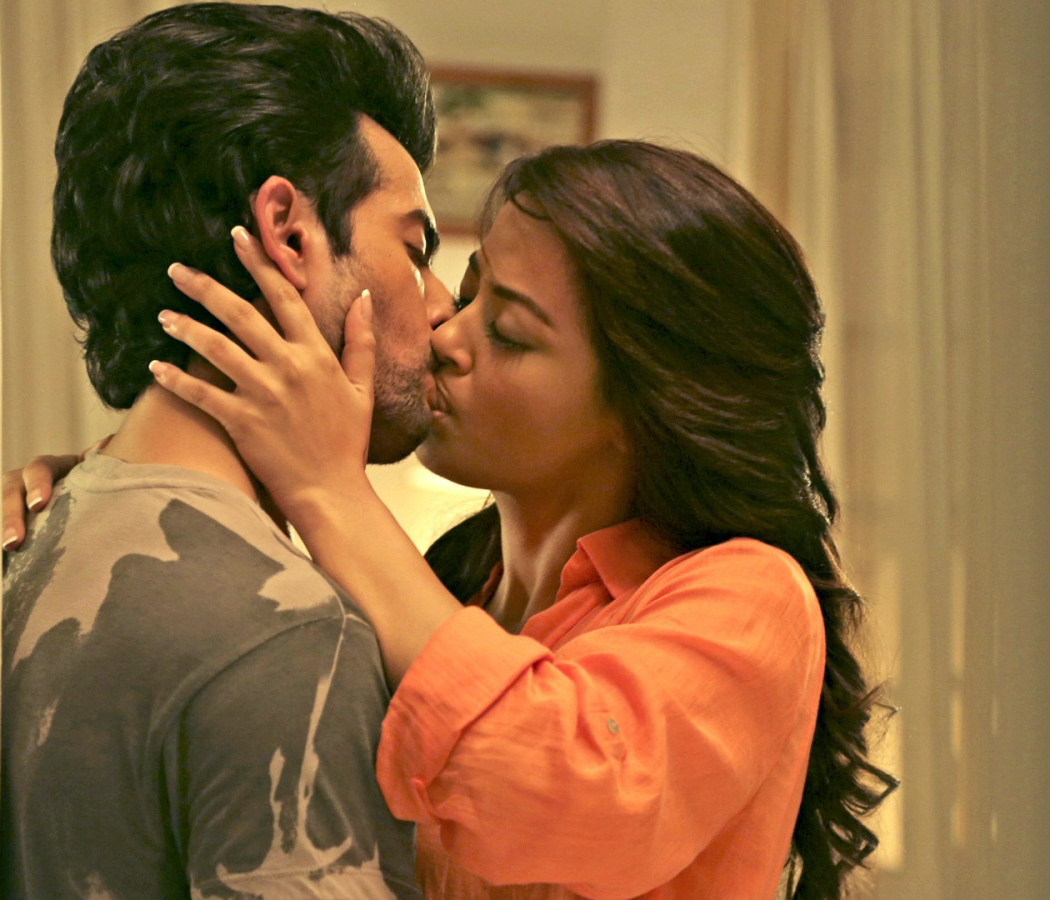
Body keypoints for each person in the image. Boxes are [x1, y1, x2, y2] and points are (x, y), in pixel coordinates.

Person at [141, 141, 895, 897]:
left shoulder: (752, 595)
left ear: (647, 407)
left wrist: (331, 491)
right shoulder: (452, 590)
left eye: (508, 331)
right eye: (468, 296)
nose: (445, 338)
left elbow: (565, 790)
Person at [1, 4, 454, 897]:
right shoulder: (286, 632)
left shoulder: (30, 545)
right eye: (416, 248)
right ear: (289, 232)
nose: (441, 304)